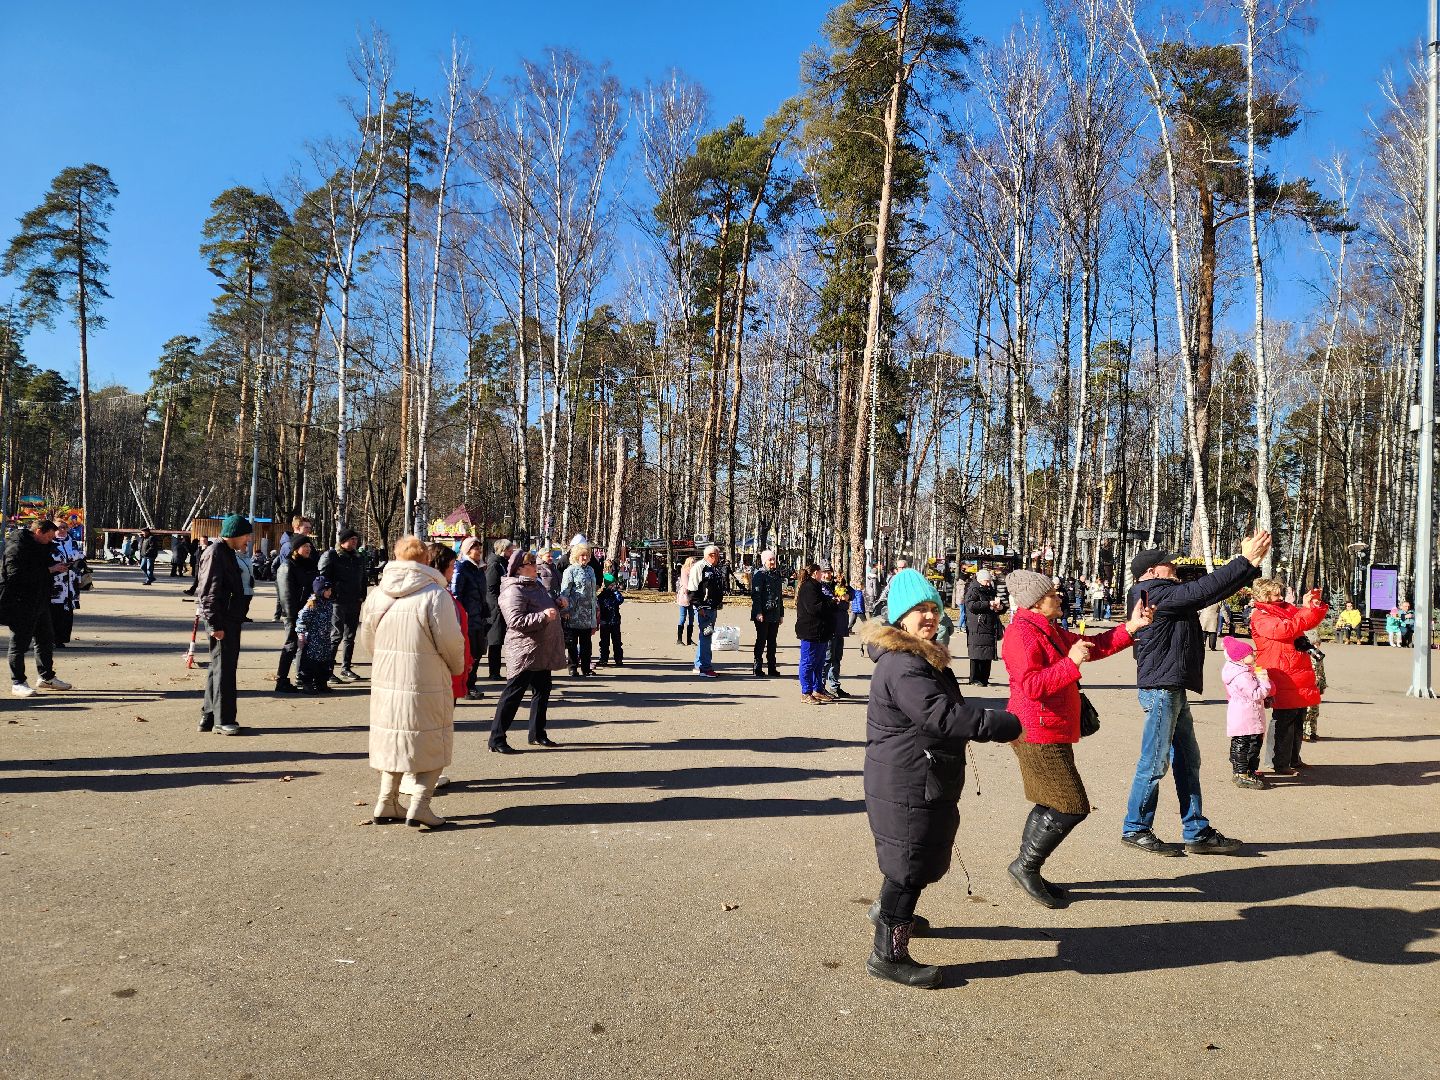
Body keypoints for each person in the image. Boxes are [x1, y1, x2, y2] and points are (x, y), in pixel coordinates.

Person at [859, 568, 1021, 988]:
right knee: (909, 866)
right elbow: (942, 716)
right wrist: (1005, 723)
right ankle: (888, 953)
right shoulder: (903, 666)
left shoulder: (922, 657)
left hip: (918, 773)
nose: (929, 617)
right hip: (908, 778)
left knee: (908, 855)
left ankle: (887, 910)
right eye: (919, 610)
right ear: (900, 619)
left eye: (933, 608)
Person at [1001, 570, 1150, 908]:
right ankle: (1025, 866)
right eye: (1053, 592)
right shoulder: (1021, 634)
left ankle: (1026, 867)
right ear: (1037, 603)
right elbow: (1031, 686)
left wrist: (1130, 627)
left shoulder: (1045, 628)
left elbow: (1091, 647)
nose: (1059, 596)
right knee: (1070, 805)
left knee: (1053, 800)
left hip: (1051, 728)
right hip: (1035, 731)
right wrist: (1070, 664)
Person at [1122, 533, 1269, 856]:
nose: (1174, 565)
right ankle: (1135, 827)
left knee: (1188, 760)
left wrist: (1251, 566)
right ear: (1150, 571)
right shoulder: (1151, 593)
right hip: (1161, 689)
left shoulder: (1163, 591)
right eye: (1167, 563)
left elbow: (1205, 593)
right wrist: (1243, 561)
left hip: (1171, 688)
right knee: (1154, 762)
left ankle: (1196, 830)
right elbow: (1201, 591)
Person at [361, 535, 466, 830]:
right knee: (431, 739)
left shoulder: (378, 593)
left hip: (387, 678)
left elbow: (368, 640)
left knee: (393, 739)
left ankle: (387, 800)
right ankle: (420, 804)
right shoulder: (435, 594)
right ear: (424, 560)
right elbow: (451, 642)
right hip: (426, 678)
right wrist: (456, 668)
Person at [489, 549, 568, 753]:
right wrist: (543, 616)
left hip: (541, 650)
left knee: (542, 691)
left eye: (535, 562)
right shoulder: (513, 590)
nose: (536, 566)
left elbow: (545, 608)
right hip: (524, 650)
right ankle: (496, 739)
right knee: (513, 694)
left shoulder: (537, 585)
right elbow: (515, 621)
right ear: (519, 569)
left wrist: (557, 605)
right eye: (531, 564)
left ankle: (537, 733)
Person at [1249, 578, 1327, 777]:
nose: (1280, 596)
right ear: (1264, 596)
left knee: (1298, 716)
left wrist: (1311, 606)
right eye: (1275, 594)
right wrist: (1304, 611)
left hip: (1295, 669)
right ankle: (1278, 762)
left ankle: (1293, 758)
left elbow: (1307, 621)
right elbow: (1285, 629)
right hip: (1280, 670)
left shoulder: (1285, 609)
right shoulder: (1260, 615)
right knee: (1284, 717)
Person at [2, 518, 72, 697]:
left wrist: (57, 568)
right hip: (20, 602)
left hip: (40, 601)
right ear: (39, 532)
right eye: (49, 536)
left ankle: (46, 677)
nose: (51, 540)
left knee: (45, 640)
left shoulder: (42, 547)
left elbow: (42, 567)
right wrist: (50, 570)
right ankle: (18, 682)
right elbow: (15, 575)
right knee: (19, 643)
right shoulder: (17, 547)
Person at [196, 515, 253, 734]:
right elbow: (208, 592)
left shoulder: (226, 552)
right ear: (235, 534)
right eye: (246, 535)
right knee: (225, 670)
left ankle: (209, 716)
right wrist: (214, 624)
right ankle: (224, 719)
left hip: (228, 618)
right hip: (222, 620)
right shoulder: (216, 553)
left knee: (217, 667)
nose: (248, 539)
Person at [1221, 636, 1271, 790]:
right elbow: (1256, 694)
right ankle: (1241, 773)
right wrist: (1264, 680)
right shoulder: (1242, 676)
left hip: (1247, 713)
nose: (1254, 655)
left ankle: (1248, 770)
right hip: (1246, 714)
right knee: (1244, 744)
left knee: (1252, 742)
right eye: (1251, 654)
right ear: (1242, 658)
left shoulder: (1243, 670)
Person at [319, 529, 368, 682]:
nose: (354, 542)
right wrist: (330, 594)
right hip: (337, 602)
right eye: (351, 539)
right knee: (336, 635)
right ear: (342, 541)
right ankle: (327, 670)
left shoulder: (358, 557)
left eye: (356, 539)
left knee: (350, 636)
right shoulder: (332, 555)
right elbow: (322, 576)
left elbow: (363, 577)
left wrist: (362, 595)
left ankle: (345, 668)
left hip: (354, 601)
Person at [273, 536, 318, 694]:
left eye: (309, 546)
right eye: (304, 546)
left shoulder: (310, 564)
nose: (308, 549)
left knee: (308, 646)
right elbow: (286, 595)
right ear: (295, 549)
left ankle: (306, 679)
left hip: (309, 611)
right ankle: (281, 680)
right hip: (294, 614)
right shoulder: (287, 566)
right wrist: (293, 617)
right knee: (291, 645)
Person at [794, 562, 838, 704]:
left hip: (821, 632)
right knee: (808, 662)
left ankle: (818, 689)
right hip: (810, 632)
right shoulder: (808, 587)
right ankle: (805, 692)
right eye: (821, 572)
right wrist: (831, 603)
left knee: (819, 663)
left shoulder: (817, 586)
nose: (823, 575)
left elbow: (824, 602)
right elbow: (815, 608)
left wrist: (833, 601)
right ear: (815, 573)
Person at [452, 537, 487, 700]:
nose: (478, 551)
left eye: (479, 548)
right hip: (467, 618)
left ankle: (471, 684)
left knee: (478, 652)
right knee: (469, 654)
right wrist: (461, 615)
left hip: (478, 616)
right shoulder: (462, 567)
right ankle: (466, 686)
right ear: (467, 550)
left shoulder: (479, 569)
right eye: (475, 548)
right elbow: (456, 593)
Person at [560, 540, 599, 677]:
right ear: (576, 556)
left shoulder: (591, 570)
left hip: (588, 613)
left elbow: (593, 592)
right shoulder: (570, 571)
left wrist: (595, 610)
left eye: (587, 555)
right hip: (574, 613)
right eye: (582, 555)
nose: (585, 557)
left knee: (586, 644)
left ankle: (586, 668)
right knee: (572, 643)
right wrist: (565, 611)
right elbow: (564, 593)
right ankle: (573, 667)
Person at [295, 575, 338, 694]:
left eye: (330, 590)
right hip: (313, 639)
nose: (330, 592)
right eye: (327, 590)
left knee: (324, 662)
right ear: (320, 591)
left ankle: (321, 683)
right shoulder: (312, 604)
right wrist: (301, 634)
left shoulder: (328, 603)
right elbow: (301, 619)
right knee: (310, 662)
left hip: (324, 639)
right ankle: (307, 684)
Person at [688, 545, 725, 678]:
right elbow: (692, 589)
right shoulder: (699, 567)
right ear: (711, 555)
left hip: (712, 607)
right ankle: (705, 668)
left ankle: (699, 665)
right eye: (717, 555)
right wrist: (699, 607)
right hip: (704, 609)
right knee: (706, 637)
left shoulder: (714, 569)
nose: (719, 558)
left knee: (705, 636)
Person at [963, 569, 1002, 687]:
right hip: (977, 626)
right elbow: (971, 605)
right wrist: (988, 604)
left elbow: (998, 603)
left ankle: (984, 679)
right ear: (980, 580)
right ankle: (974, 678)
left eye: (989, 580)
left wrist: (1000, 607)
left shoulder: (990, 590)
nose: (989, 583)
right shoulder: (973, 590)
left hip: (989, 625)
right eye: (986, 581)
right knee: (977, 654)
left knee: (987, 654)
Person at [750, 549, 785, 677]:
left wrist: (781, 614)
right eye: (770, 559)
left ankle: (772, 668)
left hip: (774, 614)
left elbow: (779, 596)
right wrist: (759, 612)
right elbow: (756, 595)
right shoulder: (759, 575)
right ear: (764, 561)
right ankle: (757, 667)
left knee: (772, 642)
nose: (773, 562)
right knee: (761, 640)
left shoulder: (776, 575)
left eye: (774, 559)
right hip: (763, 614)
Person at [49, 522, 82, 648]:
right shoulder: (49, 543)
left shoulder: (72, 542)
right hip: (56, 583)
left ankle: (62, 638)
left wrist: (79, 573)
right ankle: (52, 639)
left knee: (67, 612)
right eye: (58, 527)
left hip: (71, 583)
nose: (62, 530)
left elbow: (79, 557)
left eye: (64, 527)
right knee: (54, 611)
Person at [484, 539, 514, 679]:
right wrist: (498, 604)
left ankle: (496, 670)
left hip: (501, 605)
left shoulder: (502, 563)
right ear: (502, 550)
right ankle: (493, 672)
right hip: (495, 607)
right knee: (495, 640)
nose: (511, 552)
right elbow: (491, 587)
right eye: (509, 550)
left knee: (499, 639)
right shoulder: (494, 565)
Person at [824, 573, 855, 699]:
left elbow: (853, 592)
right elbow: (832, 603)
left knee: (837, 658)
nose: (828, 575)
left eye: (829, 572)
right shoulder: (823, 586)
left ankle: (834, 686)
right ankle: (820, 687)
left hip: (840, 627)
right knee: (827, 658)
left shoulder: (840, 585)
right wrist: (841, 601)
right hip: (830, 627)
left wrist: (848, 596)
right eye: (825, 572)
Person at [596, 572, 625, 666]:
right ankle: (604, 658)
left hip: (615, 621)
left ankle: (618, 659)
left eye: (615, 584)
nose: (614, 586)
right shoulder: (602, 595)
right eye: (612, 585)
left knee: (617, 641)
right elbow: (599, 605)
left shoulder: (615, 594)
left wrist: (616, 591)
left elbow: (620, 600)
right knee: (604, 642)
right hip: (605, 622)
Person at [676, 555, 696, 646]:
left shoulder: (695, 572)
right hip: (684, 597)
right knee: (682, 618)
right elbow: (686, 584)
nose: (694, 564)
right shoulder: (684, 570)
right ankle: (679, 639)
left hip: (693, 598)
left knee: (691, 618)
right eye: (692, 562)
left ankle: (689, 640)